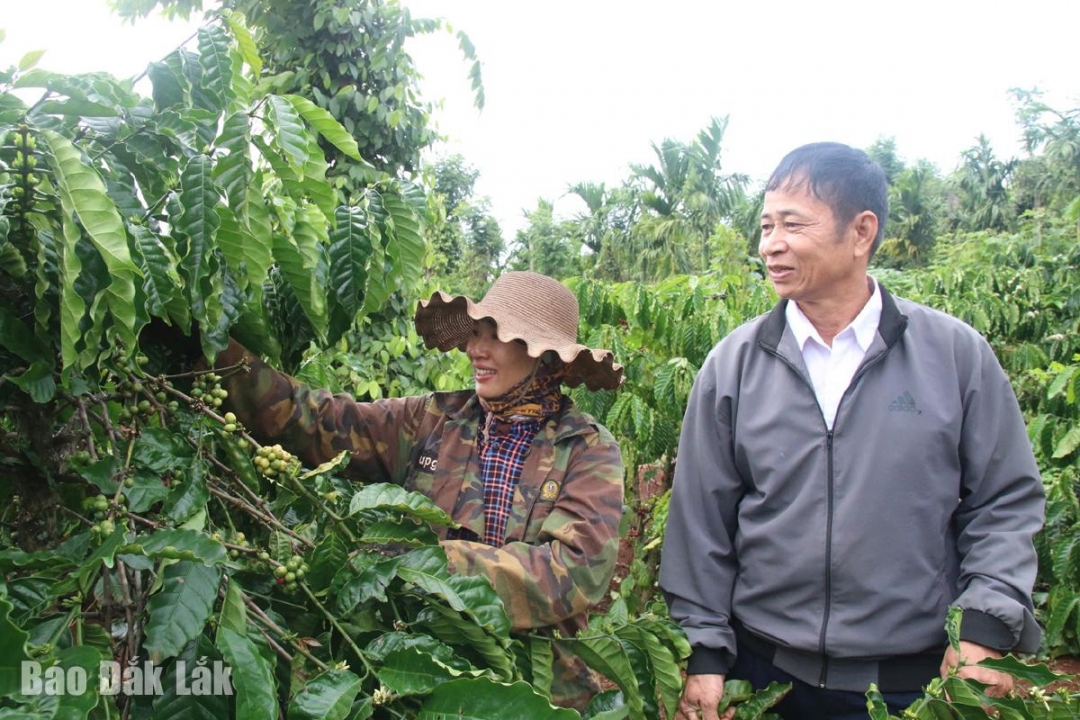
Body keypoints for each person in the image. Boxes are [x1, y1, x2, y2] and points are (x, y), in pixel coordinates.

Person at [659, 142, 1045, 720]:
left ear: (862, 231)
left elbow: (1004, 500)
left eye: (793, 224)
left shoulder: (953, 354)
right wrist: (705, 654)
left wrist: (985, 622)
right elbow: (701, 521)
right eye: (765, 225)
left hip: (909, 682)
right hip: (765, 678)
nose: (771, 244)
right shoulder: (734, 363)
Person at [214, 271, 626, 710]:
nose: (474, 349)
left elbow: (571, 572)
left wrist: (425, 565)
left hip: (541, 693)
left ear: (546, 358)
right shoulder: (432, 421)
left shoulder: (587, 450)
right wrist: (213, 349)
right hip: (423, 683)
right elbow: (317, 420)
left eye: (496, 336)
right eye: (475, 333)